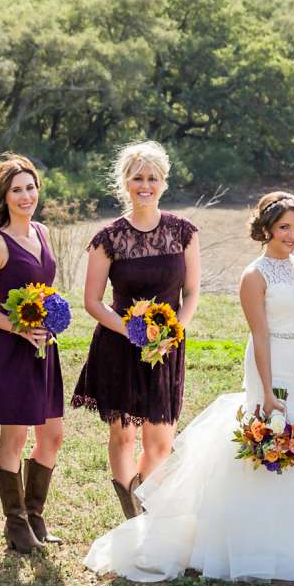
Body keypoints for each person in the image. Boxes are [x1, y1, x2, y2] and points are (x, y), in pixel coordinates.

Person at [84, 192, 294, 582]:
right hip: (272, 364)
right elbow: (261, 336)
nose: (292, 234)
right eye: (284, 227)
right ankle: (250, 543)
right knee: (267, 437)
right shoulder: (255, 275)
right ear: (266, 229)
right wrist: (266, 390)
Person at [71, 141, 201, 522]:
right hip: (119, 346)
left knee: (160, 441)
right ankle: (133, 519)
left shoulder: (184, 232)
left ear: (163, 183)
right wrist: (131, 332)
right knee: (124, 436)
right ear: (124, 183)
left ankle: (144, 498)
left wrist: (173, 332)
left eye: (152, 178)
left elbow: (191, 292)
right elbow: (93, 301)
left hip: (166, 346)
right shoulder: (108, 238)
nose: (145, 185)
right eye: (137, 178)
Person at [0, 154, 68, 554]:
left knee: (53, 436)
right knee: (15, 438)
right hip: (11, 350)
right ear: (4, 198)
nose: (26, 196)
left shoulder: (41, 232)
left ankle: (35, 514)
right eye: (17, 190)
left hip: (46, 351)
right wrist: (18, 328)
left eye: (30, 188)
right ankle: (16, 524)